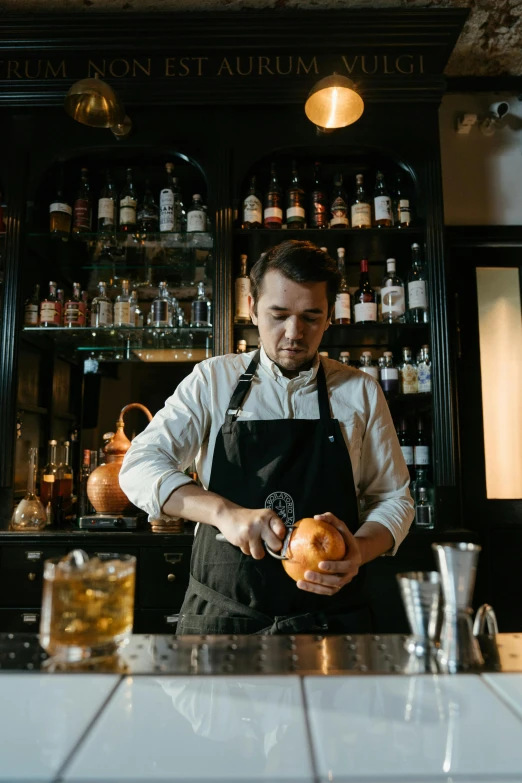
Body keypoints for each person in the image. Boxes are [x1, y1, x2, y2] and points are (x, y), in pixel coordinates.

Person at [119, 240, 414, 634]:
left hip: (330, 621)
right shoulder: (213, 380)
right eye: (279, 315)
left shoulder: (359, 391)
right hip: (223, 617)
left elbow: (394, 499)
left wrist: (359, 550)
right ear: (253, 307)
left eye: (312, 316)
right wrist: (223, 513)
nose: (295, 333)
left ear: (329, 317)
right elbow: (139, 465)